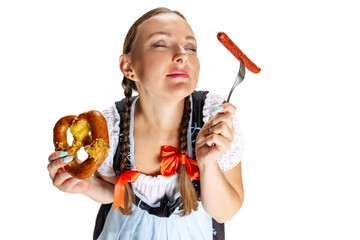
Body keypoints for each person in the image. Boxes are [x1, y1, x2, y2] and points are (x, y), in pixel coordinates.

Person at [48, 7, 244, 240]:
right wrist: (86, 186)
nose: (183, 55)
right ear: (128, 67)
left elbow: (225, 212)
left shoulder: (213, 120)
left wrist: (207, 162)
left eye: (191, 48)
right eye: (160, 44)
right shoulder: (110, 127)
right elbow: (116, 193)